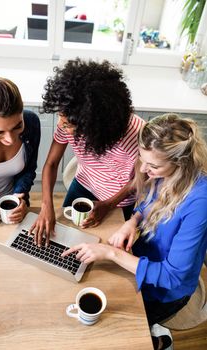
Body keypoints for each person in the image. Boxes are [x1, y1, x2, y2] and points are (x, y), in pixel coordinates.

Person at [62, 113, 207, 349]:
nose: (144, 170)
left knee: (121, 330)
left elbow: (172, 276)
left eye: (154, 166)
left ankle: (159, 340)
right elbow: (148, 201)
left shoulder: (200, 201)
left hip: (166, 290)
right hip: (141, 260)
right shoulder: (163, 173)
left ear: (181, 163)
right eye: (142, 160)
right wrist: (134, 220)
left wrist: (112, 254)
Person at [30, 58, 144, 246]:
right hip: (83, 184)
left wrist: (109, 204)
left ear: (93, 124)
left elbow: (141, 178)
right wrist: (46, 205)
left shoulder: (136, 134)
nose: (60, 125)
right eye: (60, 117)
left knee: (102, 248)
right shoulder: (68, 118)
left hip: (118, 200)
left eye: (67, 124)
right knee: (63, 241)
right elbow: (51, 163)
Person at [0, 68, 41, 224]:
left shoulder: (31, 123)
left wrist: (19, 196)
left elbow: (29, 170)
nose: (10, 139)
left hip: (15, 207)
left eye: (17, 126)